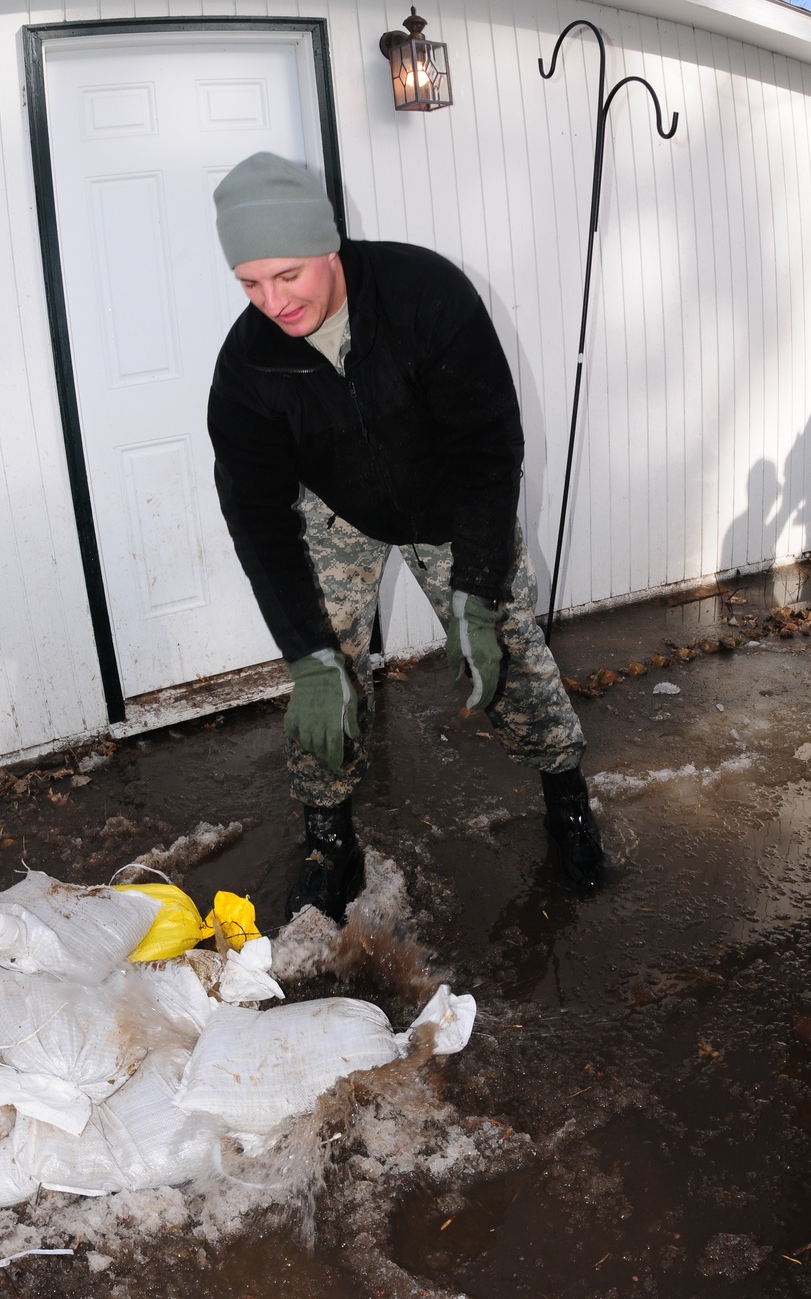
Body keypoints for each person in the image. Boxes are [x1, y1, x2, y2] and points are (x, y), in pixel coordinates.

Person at [207, 153, 604, 923]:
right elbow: (254, 515)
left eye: (287, 275)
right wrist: (307, 654)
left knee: (513, 651)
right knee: (324, 685)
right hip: (339, 508)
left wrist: (478, 591)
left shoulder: (427, 296)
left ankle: (568, 801)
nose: (272, 301)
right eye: (249, 284)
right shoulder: (248, 363)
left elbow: (492, 455)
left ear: (329, 245)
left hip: (450, 501)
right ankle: (330, 843)